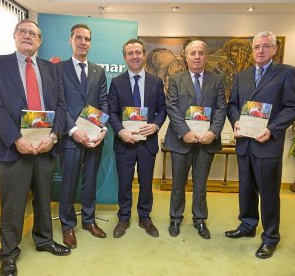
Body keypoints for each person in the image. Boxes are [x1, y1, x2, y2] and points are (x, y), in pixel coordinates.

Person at [0, 19, 70, 276]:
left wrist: (54, 137)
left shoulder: (52, 69)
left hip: (45, 146)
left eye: (33, 33)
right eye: (23, 31)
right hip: (13, 149)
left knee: (44, 199)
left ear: (40, 40)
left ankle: (44, 240)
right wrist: (15, 139)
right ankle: (9, 254)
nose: (27, 36)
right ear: (14, 35)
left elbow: (61, 106)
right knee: (13, 205)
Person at [226, 31, 295, 259]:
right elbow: (233, 105)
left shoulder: (287, 73)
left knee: (268, 193)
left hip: (267, 144)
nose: (260, 51)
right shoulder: (242, 75)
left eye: (265, 46)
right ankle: (247, 225)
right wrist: (236, 120)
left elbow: (292, 107)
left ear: (274, 49)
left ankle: (270, 238)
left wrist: (272, 130)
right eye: (256, 47)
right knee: (246, 189)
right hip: (245, 144)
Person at [164, 40, 227, 239]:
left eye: (201, 53)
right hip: (181, 140)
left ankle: (199, 219)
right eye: (193, 53)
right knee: (178, 183)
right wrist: (184, 132)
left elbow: (221, 108)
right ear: (186, 56)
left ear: (205, 56)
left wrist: (213, 132)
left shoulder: (216, 80)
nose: (197, 57)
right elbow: (171, 107)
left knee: (200, 183)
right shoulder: (175, 79)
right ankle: (175, 218)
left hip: (206, 140)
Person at [108, 39, 167, 238]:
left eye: (138, 52)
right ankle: (124, 218)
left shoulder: (156, 81)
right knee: (124, 183)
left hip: (147, 143)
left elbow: (162, 110)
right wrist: (120, 131)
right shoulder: (116, 82)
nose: (135, 56)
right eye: (130, 53)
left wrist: (156, 125)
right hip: (124, 143)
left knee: (146, 182)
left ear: (143, 55)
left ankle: (144, 217)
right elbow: (112, 112)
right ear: (125, 57)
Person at [59, 23, 108, 249]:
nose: (83, 42)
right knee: (68, 183)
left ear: (90, 42)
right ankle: (67, 226)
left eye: (87, 39)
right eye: (78, 38)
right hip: (70, 138)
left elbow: (104, 102)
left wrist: (103, 130)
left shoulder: (99, 70)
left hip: (94, 138)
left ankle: (89, 220)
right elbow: (59, 105)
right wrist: (73, 130)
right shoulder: (59, 70)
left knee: (90, 182)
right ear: (70, 40)